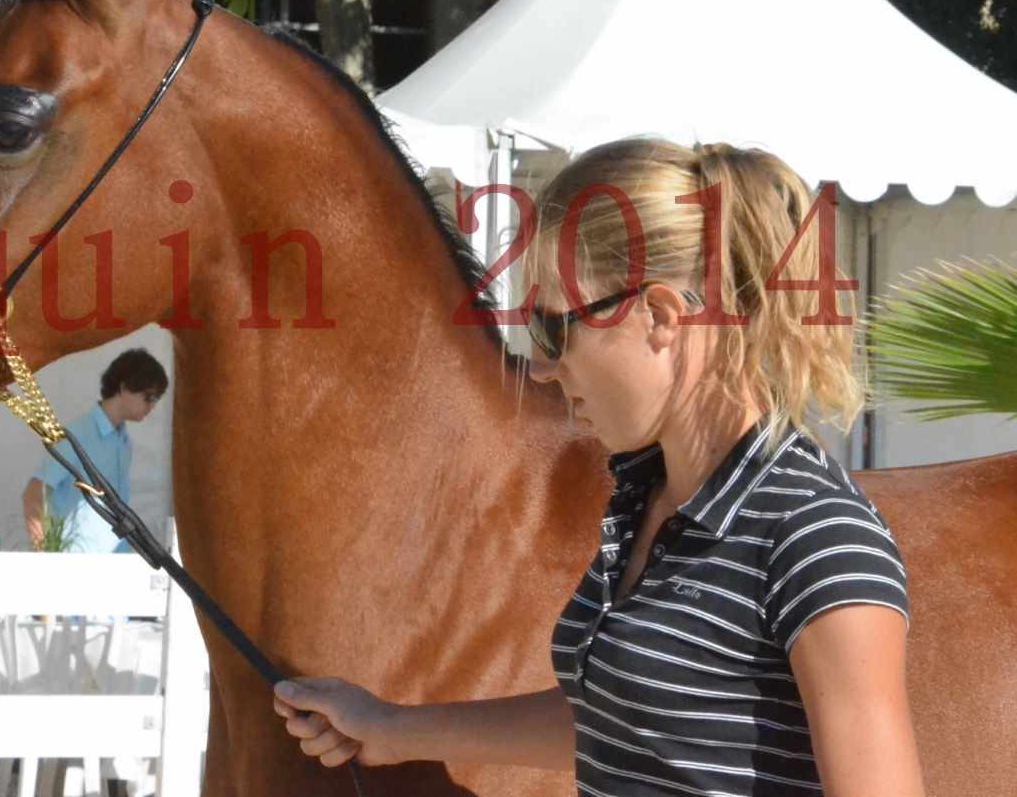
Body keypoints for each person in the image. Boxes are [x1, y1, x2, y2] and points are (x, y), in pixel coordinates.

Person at [272, 138, 925, 795]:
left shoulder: (815, 537)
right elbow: (628, 719)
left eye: (555, 329)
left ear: (660, 317)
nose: (541, 366)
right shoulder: (647, 500)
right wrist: (391, 728)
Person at [21, 348, 168, 553]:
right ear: (124, 387)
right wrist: (45, 552)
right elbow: (34, 491)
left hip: (117, 557)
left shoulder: (125, 442)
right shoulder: (77, 435)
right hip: (77, 562)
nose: (152, 405)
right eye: (149, 397)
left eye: (156, 399)